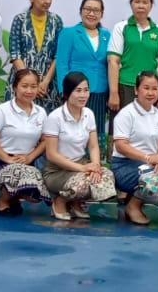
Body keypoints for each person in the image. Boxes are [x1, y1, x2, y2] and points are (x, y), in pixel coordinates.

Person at [43, 71, 112, 220]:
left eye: (86, 90)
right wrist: (83, 169)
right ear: (67, 93)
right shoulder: (55, 117)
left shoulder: (89, 114)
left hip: (81, 165)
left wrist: (95, 166)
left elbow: (93, 146)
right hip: (57, 171)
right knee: (82, 182)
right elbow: (51, 154)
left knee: (106, 176)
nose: (83, 95)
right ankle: (60, 202)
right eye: (78, 90)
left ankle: (75, 202)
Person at [0, 68, 50, 216]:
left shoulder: (41, 112)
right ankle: (3, 202)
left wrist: (30, 157)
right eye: (24, 86)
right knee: (24, 174)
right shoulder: (3, 110)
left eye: (33, 86)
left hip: (26, 162)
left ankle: (14, 197)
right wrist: (7, 158)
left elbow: (46, 141)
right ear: (15, 87)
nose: (29, 90)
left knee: (38, 191)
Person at [111, 70, 158, 225]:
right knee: (156, 180)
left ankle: (135, 201)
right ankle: (133, 206)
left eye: (154, 88)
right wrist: (147, 158)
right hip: (125, 165)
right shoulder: (126, 114)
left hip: (150, 165)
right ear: (136, 90)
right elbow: (121, 146)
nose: (150, 93)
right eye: (146, 88)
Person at [56, 0, 112, 143]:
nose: (91, 14)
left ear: (102, 14)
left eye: (96, 10)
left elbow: (110, 63)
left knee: (96, 130)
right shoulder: (69, 33)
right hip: (75, 91)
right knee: (74, 130)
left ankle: (95, 160)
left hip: (100, 91)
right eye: (87, 9)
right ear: (81, 11)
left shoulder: (107, 35)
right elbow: (61, 63)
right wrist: (65, 91)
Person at [109, 0, 158, 120]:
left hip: (151, 88)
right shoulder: (121, 27)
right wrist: (114, 92)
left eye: (145, 2)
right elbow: (113, 61)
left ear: (151, 5)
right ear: (131, 3)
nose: (141, 6)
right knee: (122, 129)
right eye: (137, 2)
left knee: (149, 128)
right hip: (125, 86)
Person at [6, 0, 62, 109]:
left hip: (47, 86)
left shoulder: (56, 21)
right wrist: (31, 84)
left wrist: (45, 82)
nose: (47, 1)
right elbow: (15, 54)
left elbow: (58, 55)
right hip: (22, 83)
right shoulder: (19, 20)